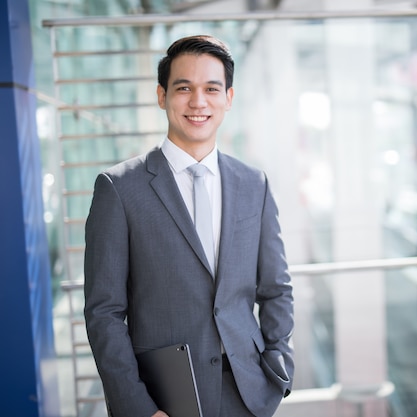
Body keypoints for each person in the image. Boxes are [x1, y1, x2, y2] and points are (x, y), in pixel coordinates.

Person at [84, 35, 294, 417]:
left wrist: (279, 365)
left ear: (228, 98)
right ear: (162, 96)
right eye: (184, 88)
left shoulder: (253, 184)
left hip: (248, 393)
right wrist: (137, 407)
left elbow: (276, 288)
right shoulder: (118, 189)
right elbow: (104, 312)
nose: (198, 102)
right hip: (165, 397)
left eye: (211, 89)